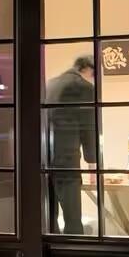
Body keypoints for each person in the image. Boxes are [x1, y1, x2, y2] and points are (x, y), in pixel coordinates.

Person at [44, 54, 96, 235]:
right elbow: (89, 126)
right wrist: (93, 161)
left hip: (44, 156)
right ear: (88, 69)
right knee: (73, 217)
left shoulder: (50, 84)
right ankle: (73, 249)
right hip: (67, 159)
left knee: (49, 216)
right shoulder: (84, 88)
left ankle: (51, 247)